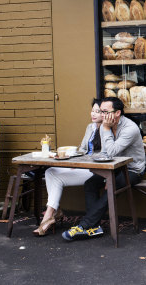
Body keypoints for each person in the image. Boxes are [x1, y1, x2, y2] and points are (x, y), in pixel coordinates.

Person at [62, 97, 145, 241]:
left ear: (117, 113)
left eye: (105, 112)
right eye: (101, 111)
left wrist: (105, 128)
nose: (102, 115)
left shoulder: (129, 128)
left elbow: (111, 152)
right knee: (90, 184)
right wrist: (109, 174)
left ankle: (84, 225)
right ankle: (94, 227)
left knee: (111, 188)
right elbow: (105, 154)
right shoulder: (104, 126)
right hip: (113, 168)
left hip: (132, 170)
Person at [33, 99, 103, 236]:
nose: (93, 114)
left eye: (98, 111)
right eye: (93, 110)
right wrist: (74, 159)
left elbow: (103, 155)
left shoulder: (107, 129)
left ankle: (49, 215)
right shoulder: (91, 127)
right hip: (82, 165)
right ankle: (54, 210)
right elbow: (83, 149)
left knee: (56, 177)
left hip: (95, 170)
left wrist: (81, 162)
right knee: (50, 171)